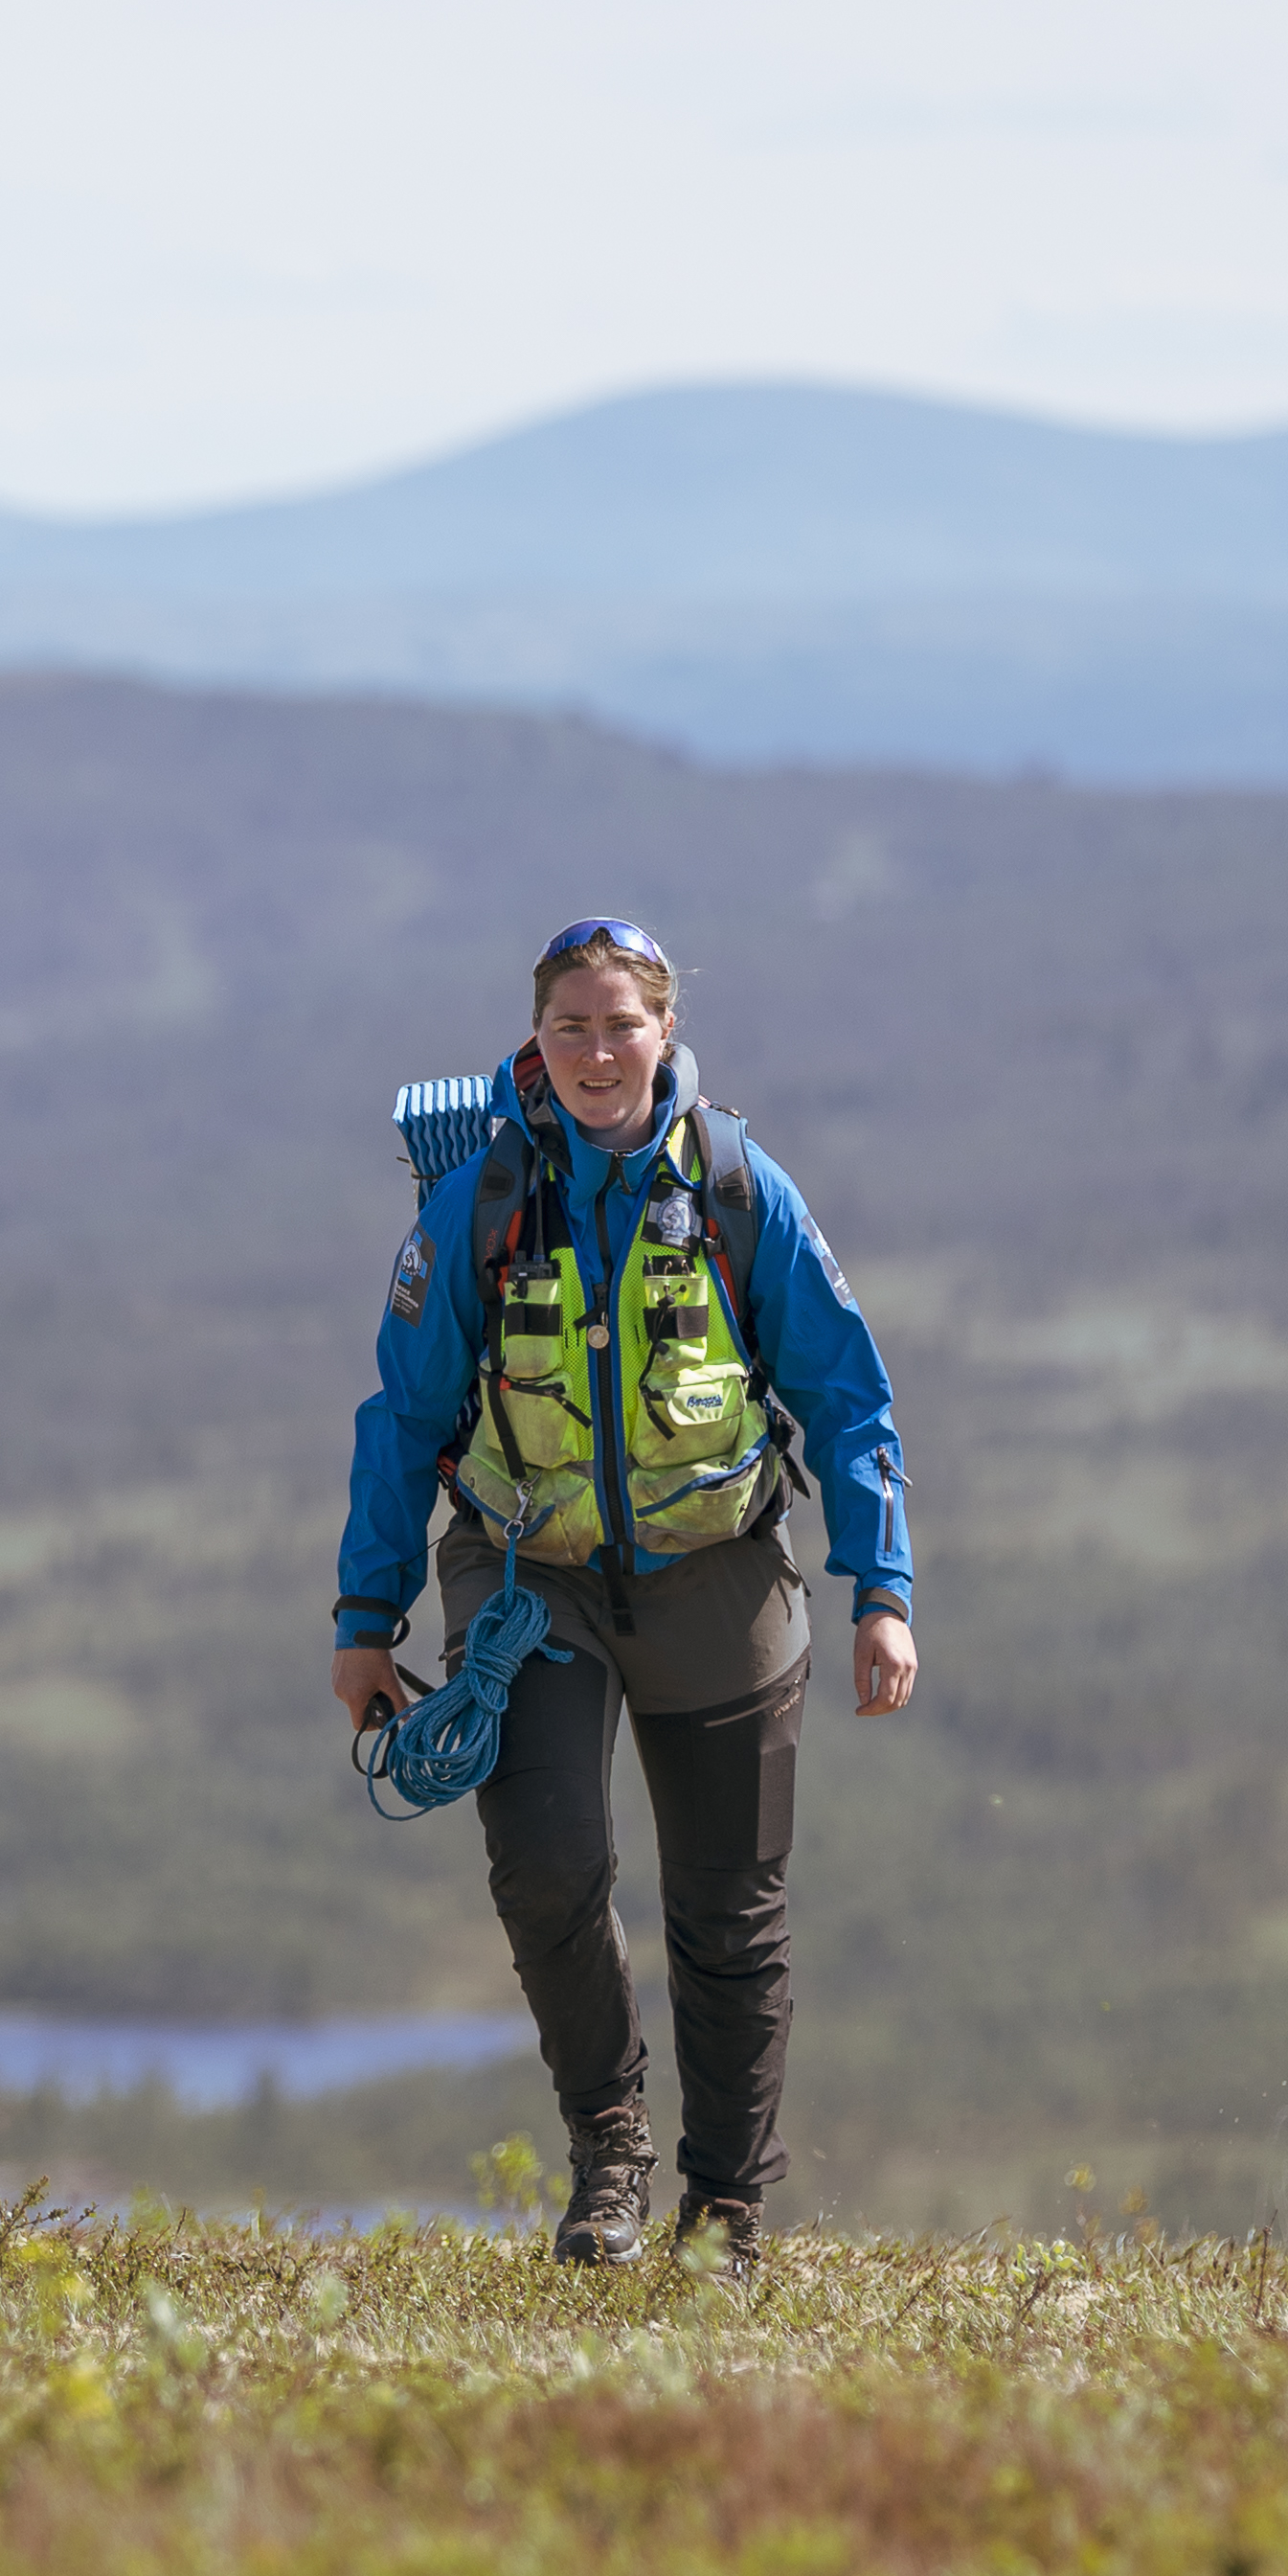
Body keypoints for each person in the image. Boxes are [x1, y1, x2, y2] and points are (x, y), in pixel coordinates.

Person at [331, 917, 915, 2266]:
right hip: (527, 1580)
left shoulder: (736, 1187)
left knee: (728, 1913)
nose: (597, 1051)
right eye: (570, 1026)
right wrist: (367, 1621)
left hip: (720, 1571)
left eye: (621, 1024)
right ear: (536, 1037)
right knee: (546, 1868)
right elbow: (402, 1420)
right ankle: (610, 2160)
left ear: (668, 1032)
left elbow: (844, 1392)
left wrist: (880, 1585)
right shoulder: (476, 1203)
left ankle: (727, 2214)